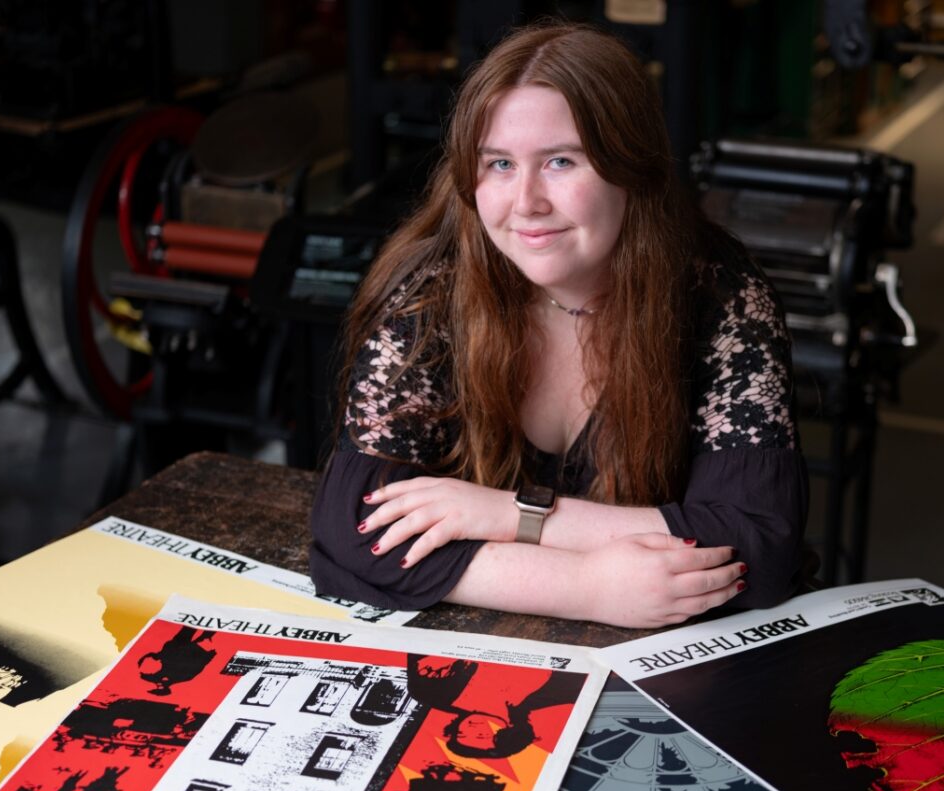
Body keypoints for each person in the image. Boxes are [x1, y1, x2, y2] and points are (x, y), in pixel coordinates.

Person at [310, 21, 807, 628]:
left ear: (632, 166)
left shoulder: (721, 297)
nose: (526, 202)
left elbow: (759, 546)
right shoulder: (433, 291)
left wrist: (507, 514)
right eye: (499, 164)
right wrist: (583, 586)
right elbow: (357, 529)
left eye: (560, 161)